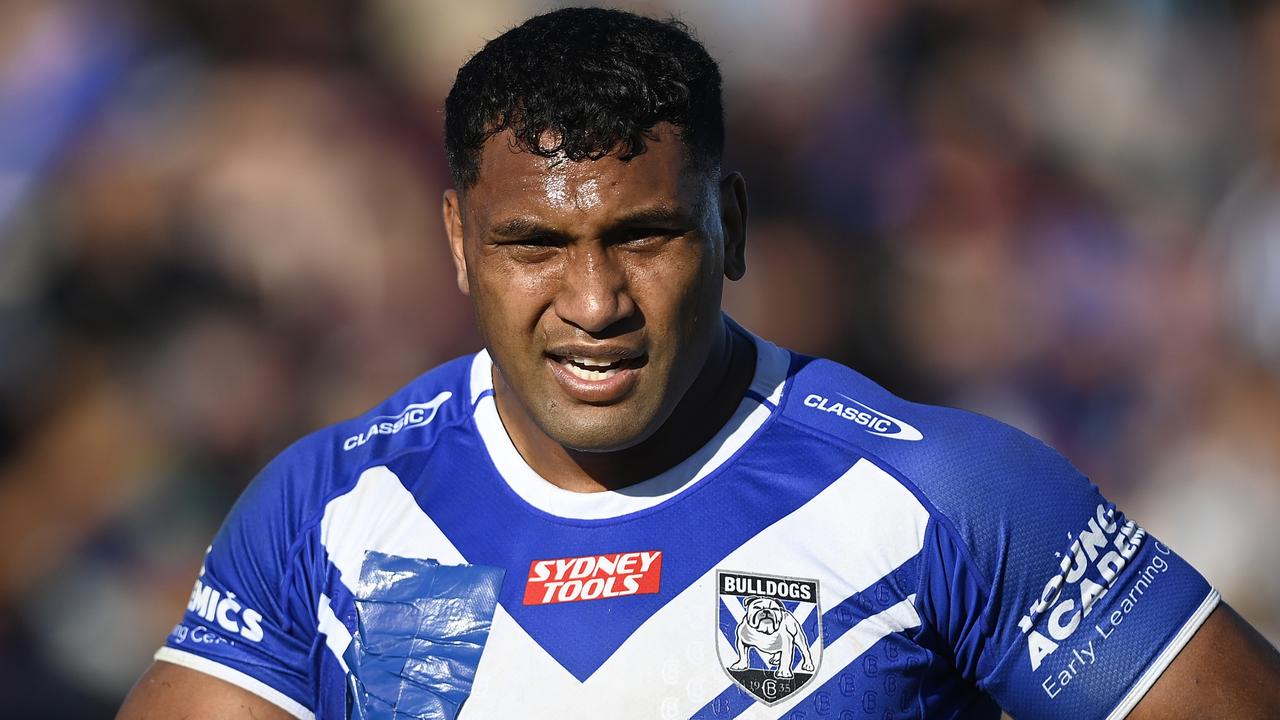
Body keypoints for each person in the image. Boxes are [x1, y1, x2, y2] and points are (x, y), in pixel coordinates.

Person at [118, 7, 1280, 719]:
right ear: (457, 247)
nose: (592, 303)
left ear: (728, 221)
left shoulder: (947, 495)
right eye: (533, 245)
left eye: (642, 235)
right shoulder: (330, 511)